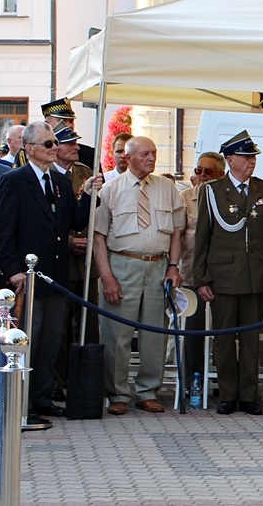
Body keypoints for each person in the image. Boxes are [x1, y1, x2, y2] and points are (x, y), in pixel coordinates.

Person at [0, 121, 101, 425]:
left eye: (55, 143)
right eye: (49, 144)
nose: (55, 148)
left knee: (51, 341)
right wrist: (14, 271)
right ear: (30, 149)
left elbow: (74, 219)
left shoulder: (59, 181)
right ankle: (23, 401)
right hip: (29, 277)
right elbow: (4, 232)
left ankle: (41, 397)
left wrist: (90, 195)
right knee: (31, 339)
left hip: (55, 276)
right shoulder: (15, 180)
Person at [193, 130, 263, 415]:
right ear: (230, 159)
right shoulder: (212, 190)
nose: (251, 162)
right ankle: (228, 394)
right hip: (224, 275)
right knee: (224, 338)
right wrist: (202, 278)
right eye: (246, 157)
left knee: (250, 338)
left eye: (253, 157)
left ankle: (248, 395)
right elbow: (202, 237)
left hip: (256, 274)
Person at [93, 136, 184, 415]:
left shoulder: (167, 188)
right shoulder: (110, 189)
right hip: (122, 265)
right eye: (144, 154)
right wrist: (107, 277)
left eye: (154, 153)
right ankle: (117, 394)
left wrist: (173, 267)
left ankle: (147, 391)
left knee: (155, 333)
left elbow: (177, 232)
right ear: (127, 157)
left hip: (157, 266)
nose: (151, 158)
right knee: (117, 334)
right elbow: (98, 238)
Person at [49, 123, 96, 400]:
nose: (76, 147)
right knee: (61, 325)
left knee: (86, 322)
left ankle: (83, 380)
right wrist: (68, 241)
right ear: (55, 149)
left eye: (76, 142)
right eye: (69, 143)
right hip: (61, 257)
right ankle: (57, 383)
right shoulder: (50, 176)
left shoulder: (84, 173)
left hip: (85, 258)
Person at [178, 151, 226, 391]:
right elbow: (177, 236)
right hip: (191, 275)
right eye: (198, 171)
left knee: (223, 332)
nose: (202, 176)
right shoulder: (185, 198)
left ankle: (221, 382)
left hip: (223, 276)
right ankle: (192, 382)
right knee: (193, 332)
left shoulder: (227, 199)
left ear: (221, 175)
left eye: (208, 172)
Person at [41, 98, 95, 169]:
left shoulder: (87, 155)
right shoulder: (36, 153)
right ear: (47, 124)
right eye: (63, 121)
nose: (70, 125)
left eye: (71, 121)